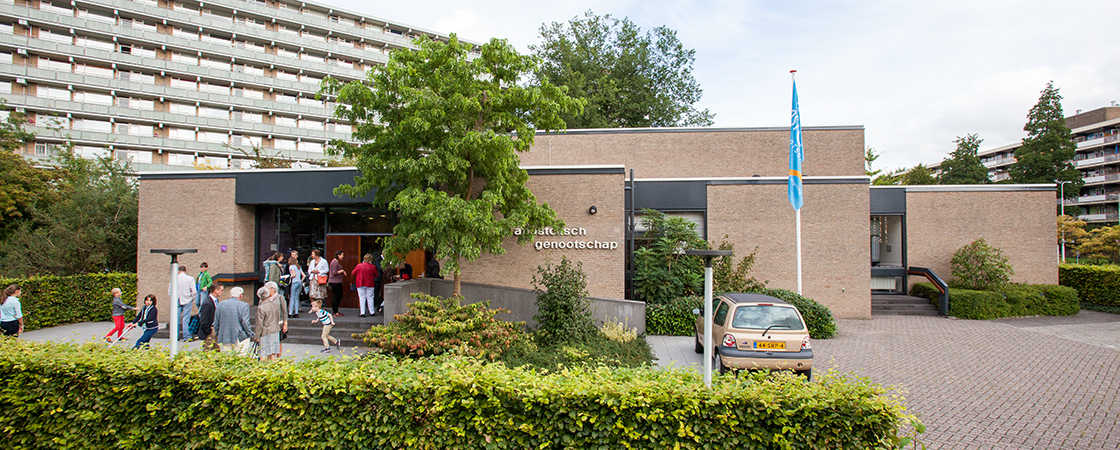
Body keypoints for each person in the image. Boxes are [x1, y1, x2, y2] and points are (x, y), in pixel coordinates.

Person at [213, 286, 254, 355]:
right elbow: (245, 322)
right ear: (240, 295)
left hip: (224, 335)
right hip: (239, 336)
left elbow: (216, 322)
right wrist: (249, 333)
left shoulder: (221, 304)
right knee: (241, 356)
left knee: (226, 357)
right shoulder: (244, 305)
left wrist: (218, 333)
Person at [253, 286, 283, 361]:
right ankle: (274, 367)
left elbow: (259, 324)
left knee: (263, 353)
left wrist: (256, 336)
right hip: (275, 330)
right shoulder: (275, 305)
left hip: (265, 332)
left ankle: (263, 367)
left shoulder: (261, 308)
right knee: (273, 353)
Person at [169, 265, 196, 341]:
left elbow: (170, 291)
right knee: (186, 318)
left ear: (178, 271)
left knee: (176, 318)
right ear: (185, 271)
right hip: (187, 299)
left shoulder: (174, 278)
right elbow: (194, 291)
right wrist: (192, 298)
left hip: (177, 299)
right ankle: (187, 337)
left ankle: (175, 336)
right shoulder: (190, 279)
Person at [197, 282, 223, 351]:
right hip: (210, 329)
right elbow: (204, 319)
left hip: (215, 327)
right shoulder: (207, 302)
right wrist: (208, 330)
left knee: (216, 349)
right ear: (215, 290)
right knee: (208, 349)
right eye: (221, 290)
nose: (222, 292)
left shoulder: (216, 300)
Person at [328, 250, 347, 316]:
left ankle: (336, 310)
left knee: (338, 296)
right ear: (338, 255)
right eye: (342, 255)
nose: (343, 256)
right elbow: (334, 272)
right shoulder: (335, 263)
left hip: (336, 281)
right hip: (335, 282)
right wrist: (342, 271)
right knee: (337, 296)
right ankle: (335, 311)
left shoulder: (335, 262)